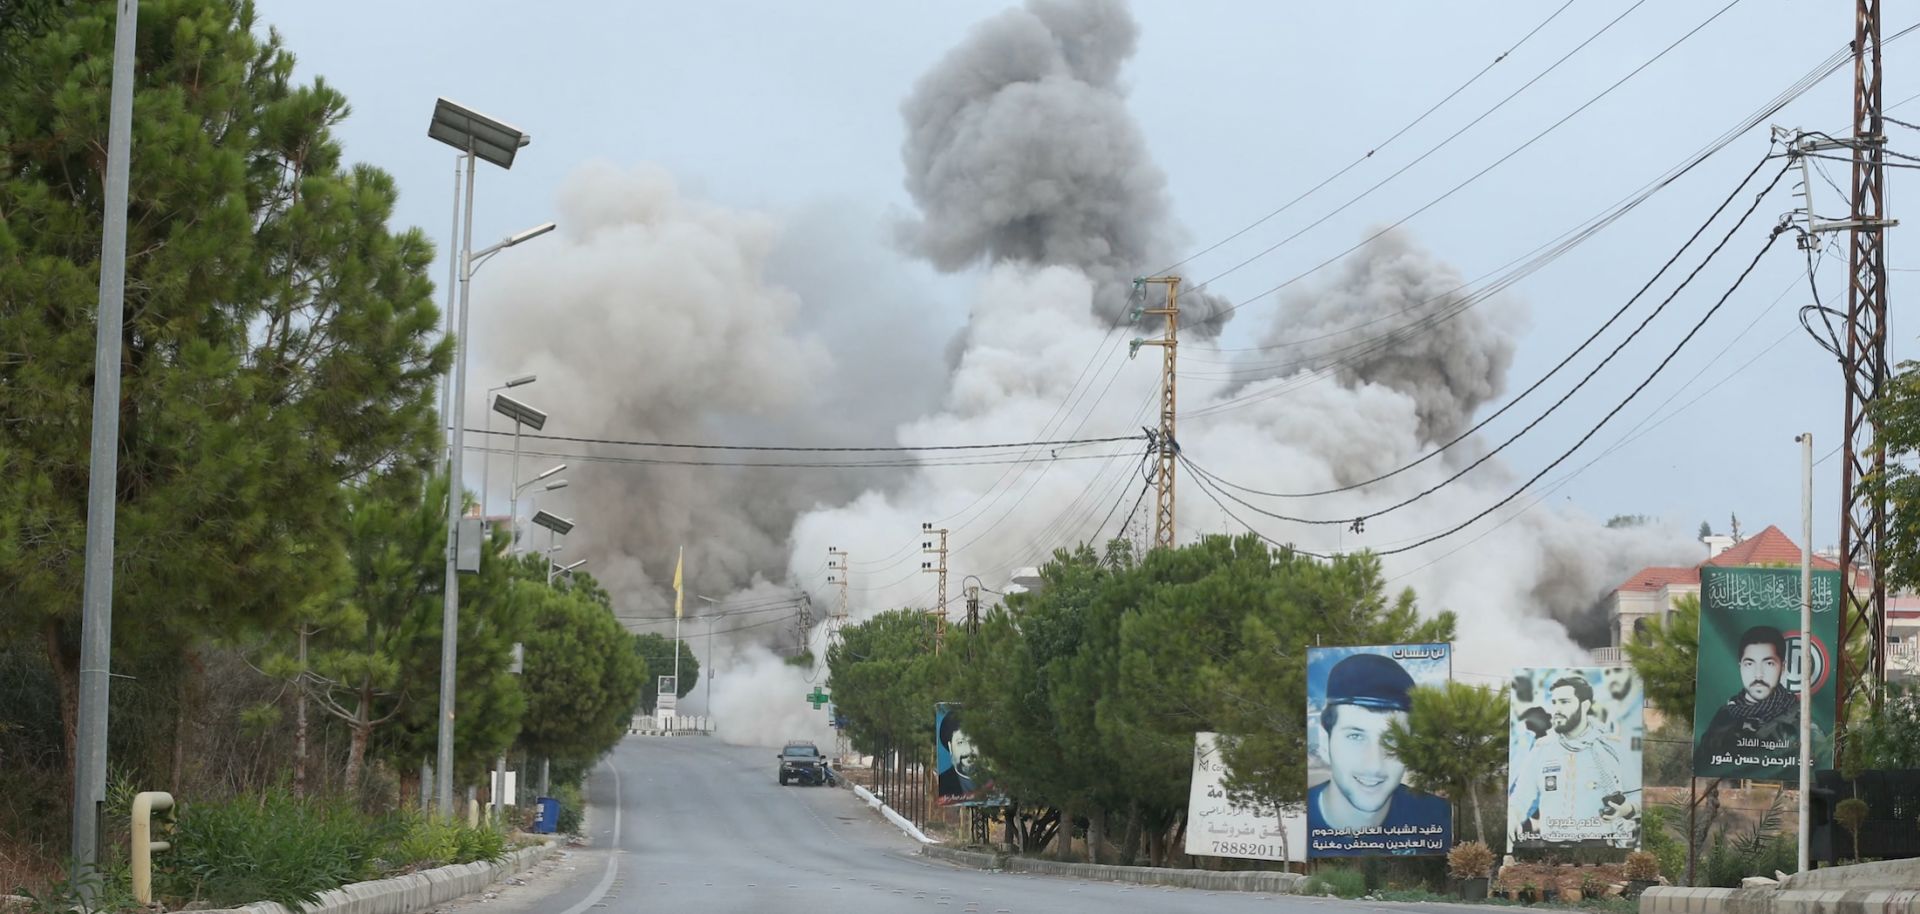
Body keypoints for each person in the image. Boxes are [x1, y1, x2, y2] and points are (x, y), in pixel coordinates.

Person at [1308, 652, 1450, 847]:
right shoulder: (1298, 822)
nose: (1374, 764)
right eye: (1355, 736)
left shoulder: (1438, 816)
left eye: (1392, 739)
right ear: (1325, 743)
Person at [1509, 675, 1638, 847]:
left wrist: (1628, 809)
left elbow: (1637, 793)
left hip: (1598, 847)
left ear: (1584, 706)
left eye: (1564, 702)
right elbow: (1521, 798)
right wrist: (1512, 817)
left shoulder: (1611, 747)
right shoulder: (1542, 748)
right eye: (1554, 703)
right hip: (1550, 846)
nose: (1557, 709)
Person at [1695, 626, 1811, 771]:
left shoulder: (1798, 715)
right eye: (1749, 664)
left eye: (1769, 663)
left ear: (1783, 668)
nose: (1758, 675)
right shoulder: (1726, 714)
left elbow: (1815, 760)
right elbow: (1703, 762)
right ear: (1740, 668)